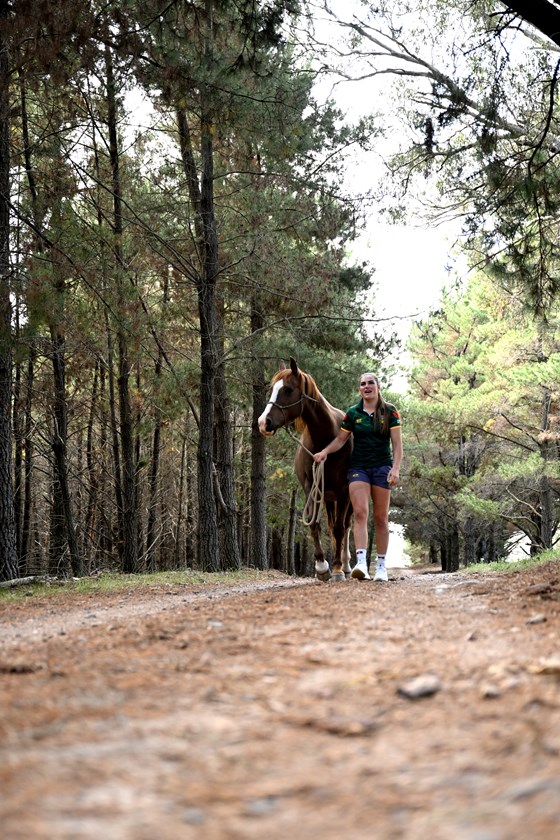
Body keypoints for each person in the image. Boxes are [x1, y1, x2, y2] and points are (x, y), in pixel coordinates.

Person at [313, 372, 402, 582]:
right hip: (358, 468)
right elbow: (341, 439)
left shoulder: (390, 411)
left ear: (378, 386)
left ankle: (381, 566)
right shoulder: (353, 413)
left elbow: (397, 444)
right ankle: (361, 563)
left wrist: (395, 468)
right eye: (362, 384)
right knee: (360, 513)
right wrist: (325, 451)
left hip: (382, 468)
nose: (366, 386)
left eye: (370, 383)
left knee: (381, 518)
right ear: (359, 389)